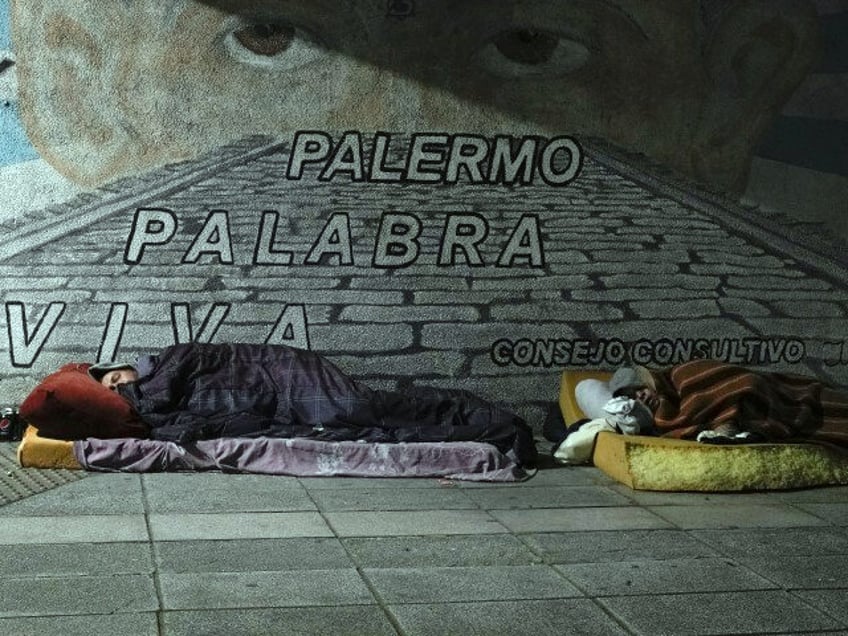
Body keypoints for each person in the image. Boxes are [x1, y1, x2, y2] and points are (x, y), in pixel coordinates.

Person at [87, 342, 538, 466]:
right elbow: (190, 425)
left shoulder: (166, 363)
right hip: (278, 403)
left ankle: (476, 412)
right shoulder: (154, 406)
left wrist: (133, 403)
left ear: (124, 365)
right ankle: (484, 428)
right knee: (367, 428)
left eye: (115, 379)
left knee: (362, 409)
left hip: (286, 374)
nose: (118, 388)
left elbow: (161, 394)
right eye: (112, 391)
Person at [606, 359, 848, 450]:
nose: (641, 396)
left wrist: (727, 415)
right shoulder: (664, 419)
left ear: (649, 381)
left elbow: (741, 381)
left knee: (826, 405)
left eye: (640, 389)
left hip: (779, 394)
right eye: (634, 397)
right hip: (750, 416)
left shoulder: (682, 375)